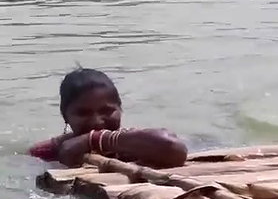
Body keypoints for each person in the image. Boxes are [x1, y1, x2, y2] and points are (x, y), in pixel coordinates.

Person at [26, 68, 187, 169]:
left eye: (107, 111)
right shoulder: (46, 153)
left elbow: (174, 149)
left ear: (120, 109)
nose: (97, 121)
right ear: (65, 116)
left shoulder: (136, 143)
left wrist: (92, 140)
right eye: (83, 113)